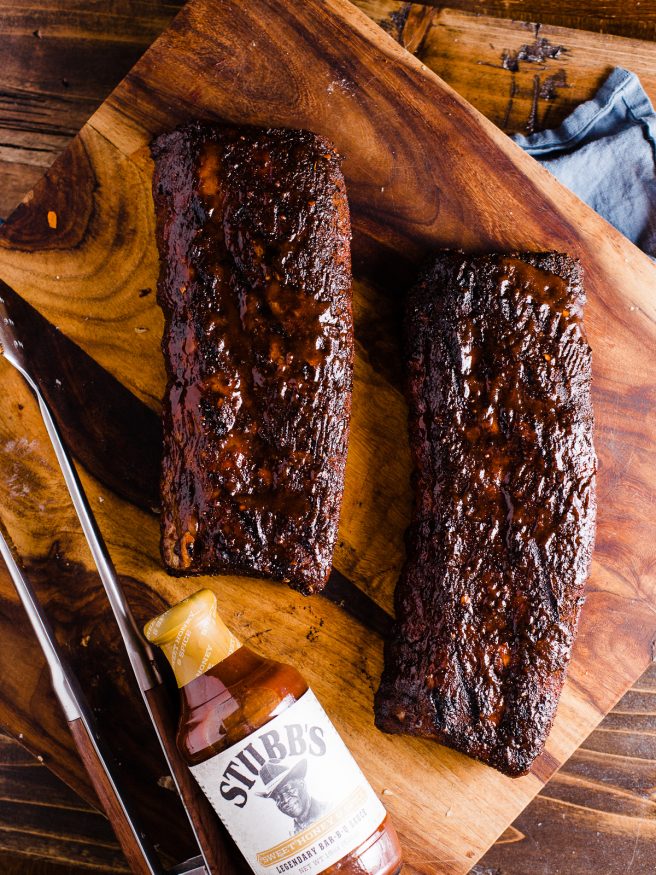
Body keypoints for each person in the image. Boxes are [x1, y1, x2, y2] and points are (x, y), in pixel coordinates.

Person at [257, 759, 329, 834]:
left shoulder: (329, 809)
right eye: (277, 798)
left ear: (302, 784)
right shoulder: (292, 834)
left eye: (288, 791)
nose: (285, 800)